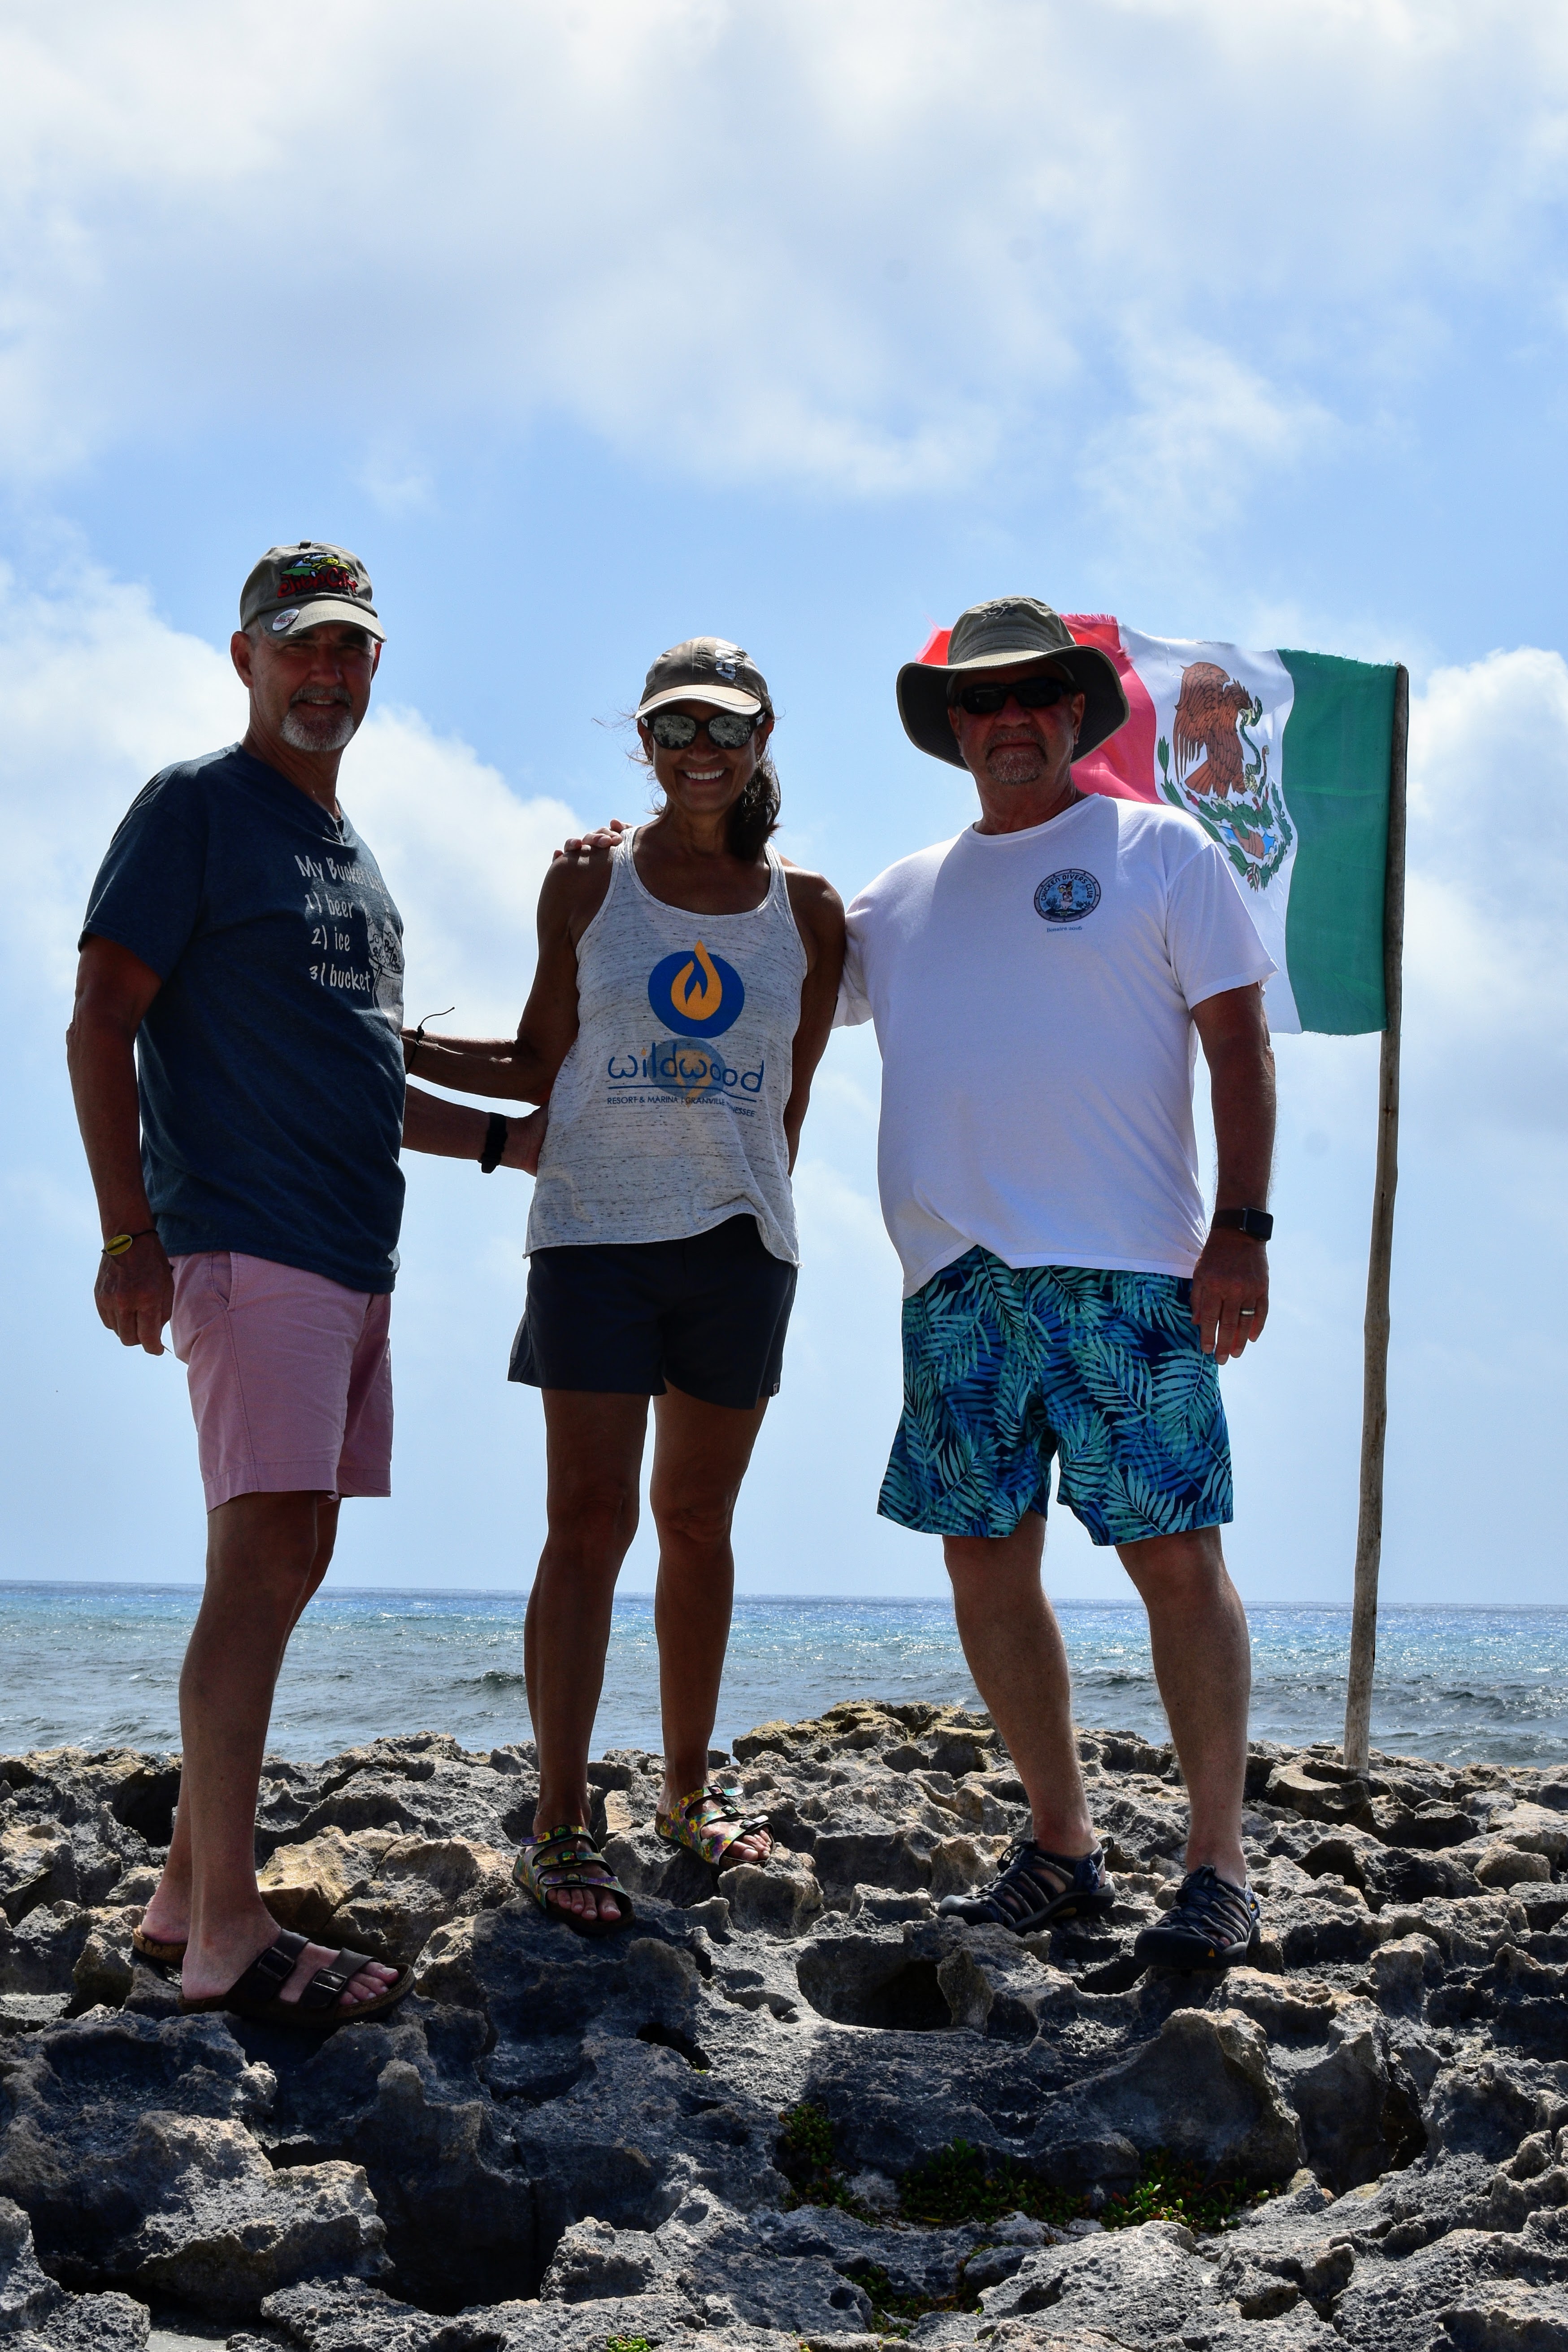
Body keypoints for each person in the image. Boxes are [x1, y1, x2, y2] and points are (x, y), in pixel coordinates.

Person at [67, 540, 535, 2026]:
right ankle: (227, 1936)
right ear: (246, 658)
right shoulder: (199, 807)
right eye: (297, 645)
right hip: (245, 1238)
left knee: (290, 1557)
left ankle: (174, 1900)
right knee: (262, 1559)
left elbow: (369, 1074)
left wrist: (516, 1148)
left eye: (347, 649)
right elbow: (101, 1016)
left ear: (373, 666)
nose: (323, 672)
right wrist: (126, 1230)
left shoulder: (353, 859)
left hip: (351, 1248)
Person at [836, 595, 1277, 1970]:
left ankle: (1216, 1859)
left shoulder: (1159, 849)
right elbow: (749, 954)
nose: (1009, 716)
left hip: (1129, 1270)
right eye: (982, 699)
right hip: (953, 1277)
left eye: (1036, 695)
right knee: (984, 1561)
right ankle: (1062, 1844)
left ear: (1078, 714)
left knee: (1172, 1559)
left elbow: (1239, 1050)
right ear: (954, 727)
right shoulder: (897, 895)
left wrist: (1242, 1228)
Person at [405, 638, 844, 1932]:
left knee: (697, 1526)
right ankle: (558, 1818)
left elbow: (792, 1099)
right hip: (592, 1233)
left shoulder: (810, 911)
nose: (700, 750)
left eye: (725, 728)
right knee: (588, 1525)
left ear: (763, 741)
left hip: (738, 1248)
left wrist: (758, 1221)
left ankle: (688, 1799)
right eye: (674, 729)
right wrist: (387, 1037)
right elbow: (543, 1059)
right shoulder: (588, 880)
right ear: (645, 747)